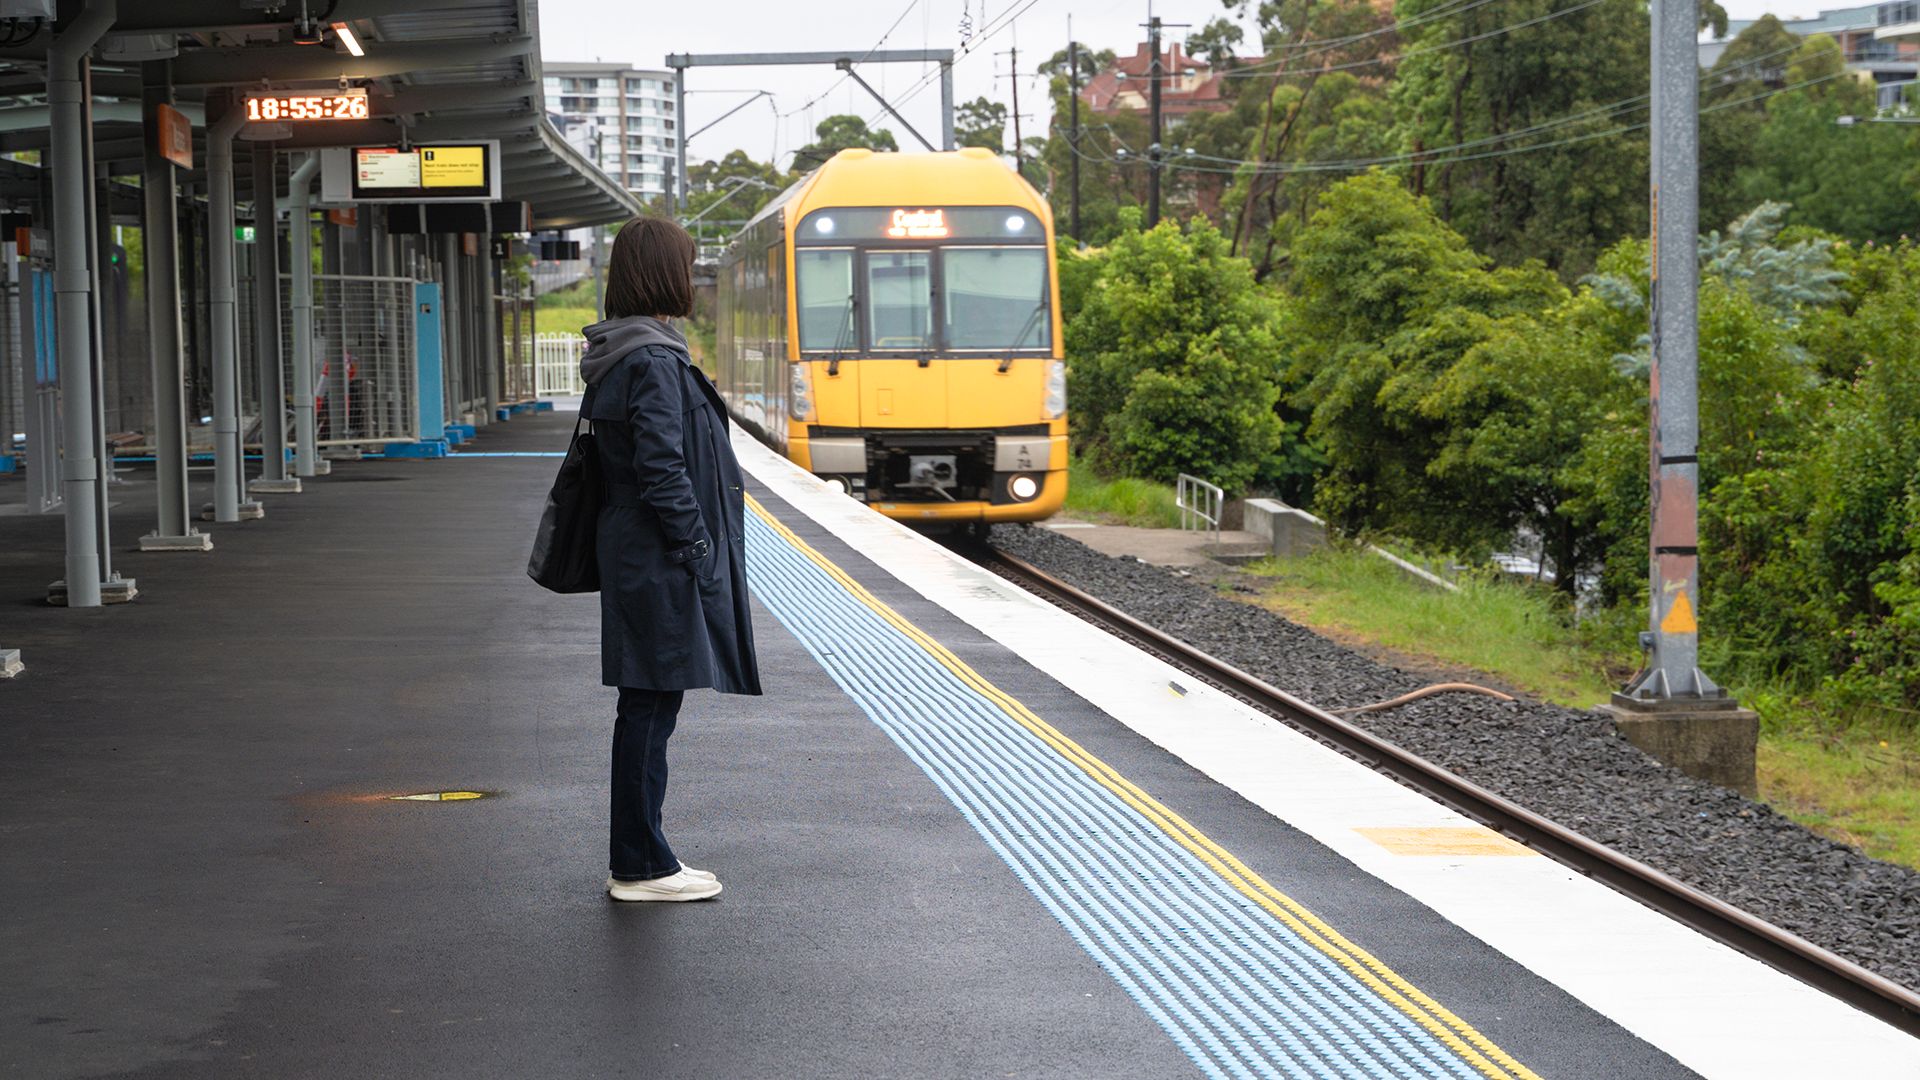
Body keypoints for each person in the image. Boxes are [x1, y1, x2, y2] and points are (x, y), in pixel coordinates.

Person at [577, 216, 761, 902]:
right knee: (650, 706)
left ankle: (646, 853)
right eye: (686, 263)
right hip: (655, 553)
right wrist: (695, 545)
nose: (692, 274)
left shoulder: (629, 348)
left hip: (637, 547)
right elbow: (661, 465)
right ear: (664, 272)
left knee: (650, 703)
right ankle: (640, 865)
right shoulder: (652, 357)